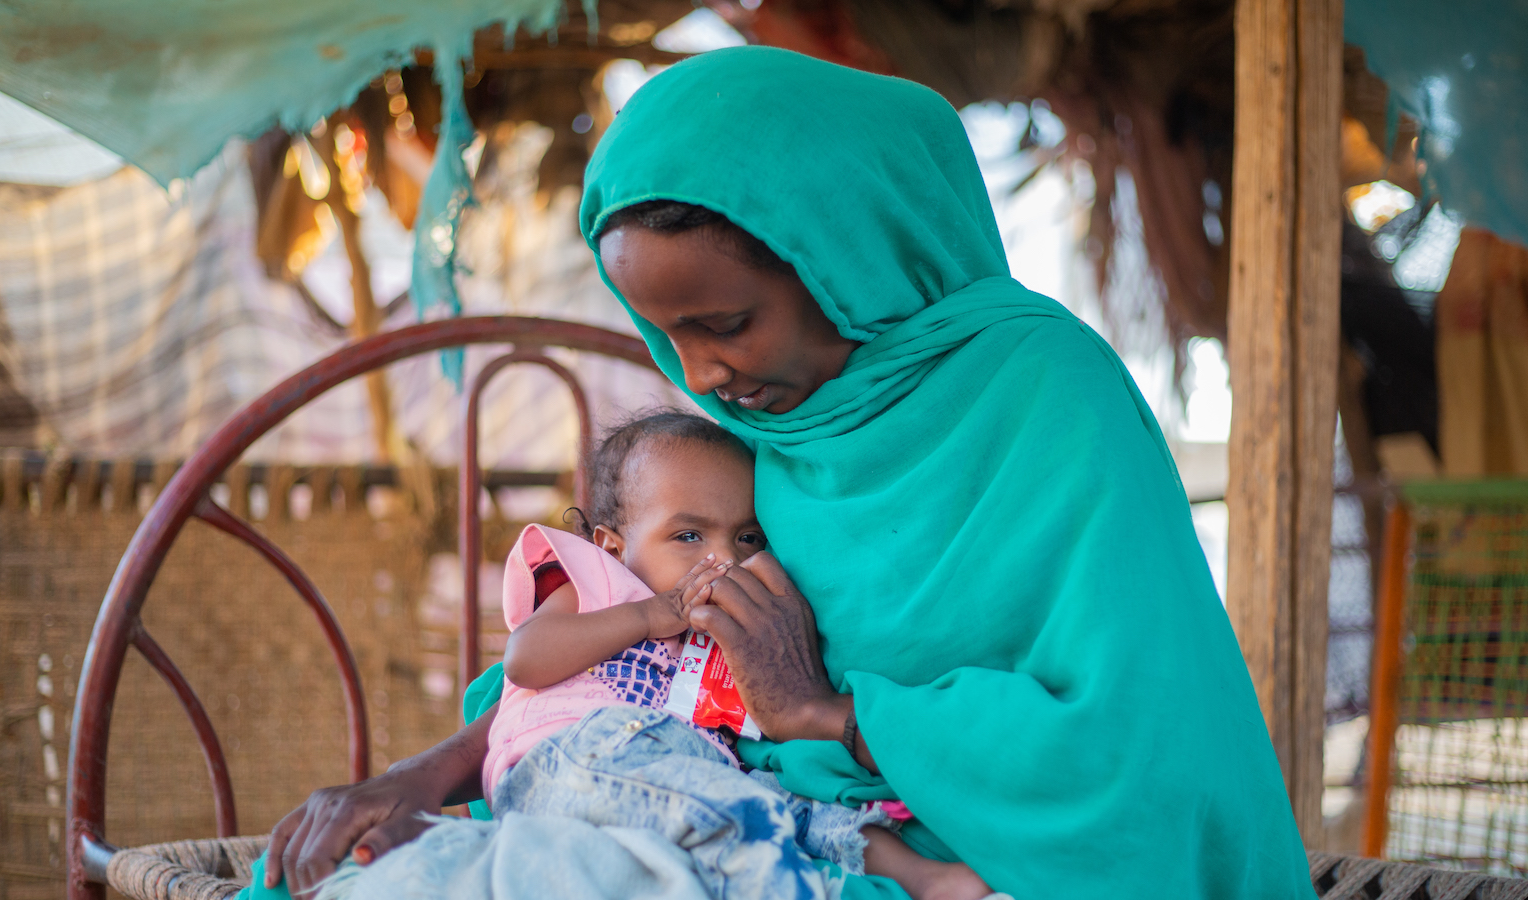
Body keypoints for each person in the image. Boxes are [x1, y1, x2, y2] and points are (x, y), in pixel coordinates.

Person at [263, 46, 1314, 899]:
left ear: (850, 257)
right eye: (665, 337)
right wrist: (419, 775)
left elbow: (1143, 758)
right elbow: (630, 677)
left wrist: (824, 715)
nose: (702, 374)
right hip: (727, 824)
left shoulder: (1044, 400)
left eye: (726, 325)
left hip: (992, 860)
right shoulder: (755, 437)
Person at [479, 410, 997, 900]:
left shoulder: (723, 636)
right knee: (730, 812)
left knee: (796, 804)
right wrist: (649, 616)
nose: (725, 559)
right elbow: (525, 660)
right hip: (574, 762)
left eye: (747, 538)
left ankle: (926, 879)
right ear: (612, 547)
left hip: (697, 776)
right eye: (688, 535)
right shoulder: (599, 585)